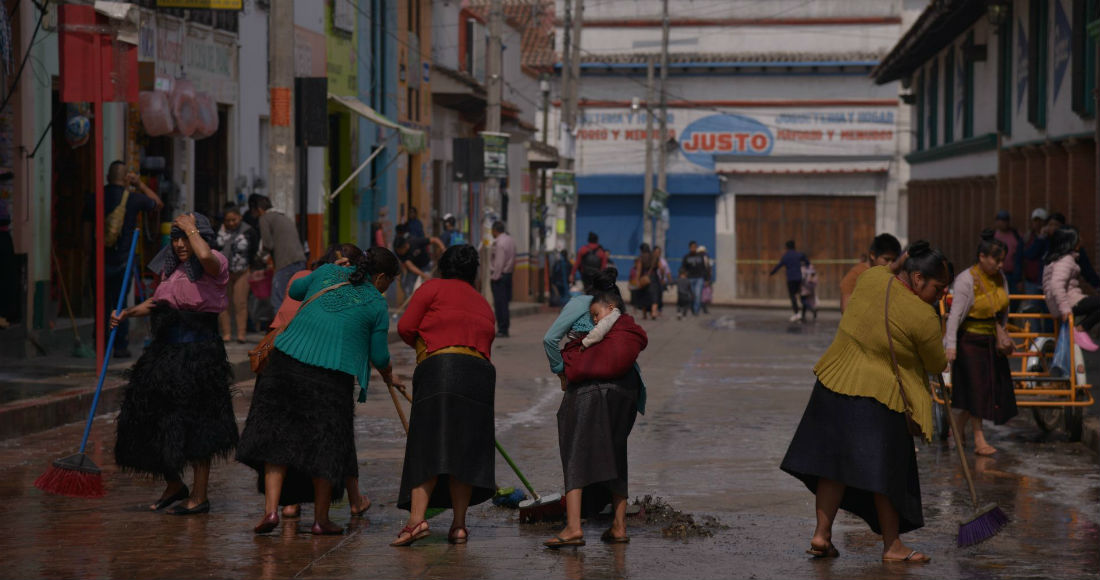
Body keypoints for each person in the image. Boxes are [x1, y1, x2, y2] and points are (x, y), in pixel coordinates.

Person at [780, 241, 951, 564]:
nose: (941, 295)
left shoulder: (871, 278)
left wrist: (902, 258)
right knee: (885, 476)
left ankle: (821, 534)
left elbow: (889, 269)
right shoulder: (924, 315)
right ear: (916, 279)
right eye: (938, 288)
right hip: (878, 398)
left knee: (833, 468)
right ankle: (893, 546)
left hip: (833, 383)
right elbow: (937, 363)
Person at [236, 247, 402, 536]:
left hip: (285, 364)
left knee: (278, 441)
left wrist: (323, 270)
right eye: (390, 282)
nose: (388, 288)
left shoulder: (327, 272)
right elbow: (379, 355)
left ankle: (271, 511)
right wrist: (389, 375)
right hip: (331, 377)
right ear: (382, 277)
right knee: (326, 448)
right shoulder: (376, 304)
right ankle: (320, 520)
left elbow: (296, 290)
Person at [110, 212, 237, 515]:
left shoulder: (214, 262)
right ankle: (174, 483)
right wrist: (127, 313)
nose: (180, 244)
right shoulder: (171, 269)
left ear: (199, 235)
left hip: (199, 355)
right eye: (175, 238)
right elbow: (158, 304)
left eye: (186, 237)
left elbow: (205, 255)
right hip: (165, 353)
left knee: (199, 426)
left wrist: (193, 229)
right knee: (147, 416)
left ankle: (200, 495)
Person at [393, 245, 497, 546]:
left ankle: (415, 522)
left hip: (441, 369)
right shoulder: (482, 302)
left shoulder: (432, 288)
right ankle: (459, 526)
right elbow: (487, 338)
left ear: (442, 266)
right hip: (479, 374)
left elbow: (405, 326)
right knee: (463, 451)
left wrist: (427, 347)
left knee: (427, 445)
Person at [267, 243, 378, 521]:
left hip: (283, 359)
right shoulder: (355, 290)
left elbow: (290, 300)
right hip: (320, 364)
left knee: (287, 436)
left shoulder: (305, 277)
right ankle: (329, 514)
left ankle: (286, 506)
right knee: (330, 439)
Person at [544, 283, 648, 548]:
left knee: (575, 451)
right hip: (626, 391)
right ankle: (619, 526)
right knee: (616, 453)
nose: (593, 320)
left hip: (588, 393)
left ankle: (573, 527)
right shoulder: (625, 330)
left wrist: (561, 372)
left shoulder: (583, 308)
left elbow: (550, 339)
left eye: (595, 315)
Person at [944, 230, 1017, 456]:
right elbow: (955, 315)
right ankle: (979, 439)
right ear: (982, 257)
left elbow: (1004, 307)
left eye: (1002, 260)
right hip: (970, 343)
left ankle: (956, 426)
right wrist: (951, 345)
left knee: (985, 390)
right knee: (977, 391)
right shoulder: (967, 279)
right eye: (996, 259)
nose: (1000, 265)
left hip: (990, 342)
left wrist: (1002, 332)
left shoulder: (999, 278)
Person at [85, 161, 164, 358]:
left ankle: (100, 345)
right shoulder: (134, 198)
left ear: (107, 177)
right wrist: (140, 184)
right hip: (123, 261)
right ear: (125, 178)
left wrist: (90, 255)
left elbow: (86, 231)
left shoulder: (95, 197)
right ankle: (120, 346)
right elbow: (158, 204)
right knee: (119, 303)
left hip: (100, 259)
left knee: (100, 304)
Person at [1043, 226, 1100, 352]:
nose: (1082, 240)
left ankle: (1080, 330)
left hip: (1064, 301)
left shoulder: (1057, 258)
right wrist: (1065, 309)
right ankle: (1080, 330)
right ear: (1071, 241)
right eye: (1078, 237)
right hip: (1068, 302)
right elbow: (1056, 285)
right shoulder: (1065, 260)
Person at [254, 195, 307, 312]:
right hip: (300, 261)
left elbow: (268, 244)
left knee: (277, 300)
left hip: (285, 263)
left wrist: (258, 258)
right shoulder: (283, 216)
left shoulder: (264, 218)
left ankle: (279, 330)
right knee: (296, 300)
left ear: (258, 210)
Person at [215, 204, 259, 344]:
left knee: (240, 302)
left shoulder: (249, 231)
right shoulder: (218, 232)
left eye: (234, 219)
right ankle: (226, 334)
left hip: (242, 272)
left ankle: (241, 334)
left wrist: (252, 268)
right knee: (224, 304)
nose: (231, 223)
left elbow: (254, 250)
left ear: (240, 217)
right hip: (223, 272)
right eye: (228, 220)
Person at [840, 234, 902, 313]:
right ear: (872, 255)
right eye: (887, 259)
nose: (891, 264)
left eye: (894, 260)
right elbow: (846, 309)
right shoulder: (856, 274)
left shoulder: (894, 273)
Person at [394, 232, 446, 299]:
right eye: (397, 251)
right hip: (413, 269)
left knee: (428, 285)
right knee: (407, 288)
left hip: (425, 265)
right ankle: (410, 305)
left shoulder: (415, 242)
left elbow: (435, 239)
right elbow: (411, 266)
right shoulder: (399, 252)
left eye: (399, 250)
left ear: (405, 245)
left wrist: (443, 248)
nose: (398, 253)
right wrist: (423, 275)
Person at [770, 240, 810, 323]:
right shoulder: (799, 254)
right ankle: (804, 313)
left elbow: (779, 266)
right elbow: (807, 262)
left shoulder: (786, 256)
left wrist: (772, 273)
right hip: (799, 278)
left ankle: (796, 313)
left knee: (793, 296)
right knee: (802, 295)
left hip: (791, 279)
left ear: (787, 247)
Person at [490, 221, 517, 337]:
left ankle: (502, 328)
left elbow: (499, 263)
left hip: (500, 276)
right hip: (508, 275)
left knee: (500, 304)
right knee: (505, 303)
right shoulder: (510, 240)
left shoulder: (499, 243)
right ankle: (504, 327)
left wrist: (495, 277)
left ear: (495, 230)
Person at [993, 210, 1023, 291]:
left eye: (1006, 220)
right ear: (997, 222)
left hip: (1014, 275)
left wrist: (1019, 279)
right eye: (1001, 220)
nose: (1003, 223)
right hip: (996, 274)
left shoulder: (1016, 234)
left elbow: (1020, 256)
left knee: (1014, 300)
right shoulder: (993, 235)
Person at [631, 244, 659, 319]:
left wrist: (637, 280)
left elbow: (639, 270)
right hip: (653, 277)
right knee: (654, 296)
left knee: (644, 296)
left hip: (644, 278)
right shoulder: (655, 256)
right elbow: (661, 268)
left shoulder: (641, 257)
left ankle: (644, 315)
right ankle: (653, 312)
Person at [682, 241, 710, 316]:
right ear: (689, 248)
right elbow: (683, 268)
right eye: (692, 247)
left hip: (699, 278)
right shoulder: (686, 257)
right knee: (691, 295)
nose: (693, 248)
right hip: (690, 278)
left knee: (698, 295)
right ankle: (691, 308)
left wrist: (706, 279)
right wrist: (683, 276)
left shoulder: (701, 257)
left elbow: (705, 268)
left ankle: (696, 310)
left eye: (695, 247)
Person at [652, 246, 673, 315]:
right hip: (651, 280)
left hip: (660, 281)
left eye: (659, 252)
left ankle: (659, 309)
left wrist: (670, 281)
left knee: (659, 295)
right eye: (656, 252)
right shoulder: (650, 260)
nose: (658, 253)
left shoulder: (663, 261)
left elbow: (667, 271)